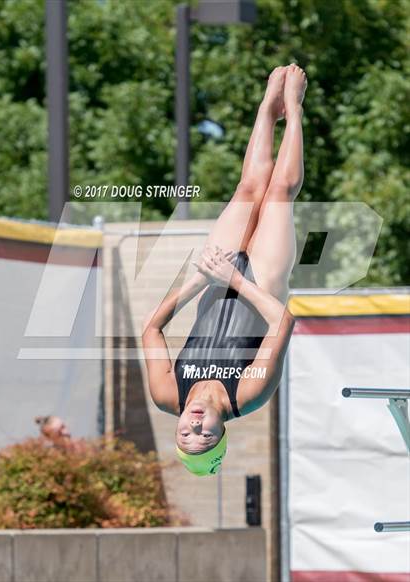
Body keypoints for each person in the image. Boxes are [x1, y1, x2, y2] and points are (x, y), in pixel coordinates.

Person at [142, 63, 307, 476]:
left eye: (186, 436)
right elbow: (281, 323)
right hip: (261, 282)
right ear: (221, 434)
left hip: (213, 277)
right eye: (206, 437)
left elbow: (151, 330)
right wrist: (237, 280)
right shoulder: (248, 396)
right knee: (280, 193)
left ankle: (268, 108)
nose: (195, 427)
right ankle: (294, 105)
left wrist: (199, 281)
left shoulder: (166, 393)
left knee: (249, 187)